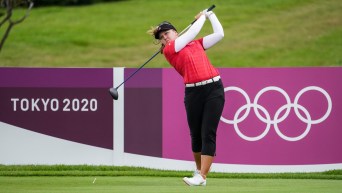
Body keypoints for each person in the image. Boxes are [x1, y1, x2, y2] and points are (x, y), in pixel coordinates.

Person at [148, 9, 225, 186]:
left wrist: (211, 15)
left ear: (175, 32)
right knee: (196, 136)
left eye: (166, 33)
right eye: (161, 37)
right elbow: (192, 32)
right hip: (193, 93)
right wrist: (203, 16)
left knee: (208, 133)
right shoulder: (169, 50)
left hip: (214, 89)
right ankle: (199, 171)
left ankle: (202, 176)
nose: (164, 38)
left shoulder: (196, 44)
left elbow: (219, 34)